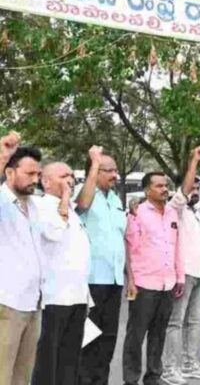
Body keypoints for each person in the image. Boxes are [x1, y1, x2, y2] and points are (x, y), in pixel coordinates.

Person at [31, 157, 90, 385]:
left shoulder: (71, 210)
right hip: (53, 297)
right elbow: (54, 232)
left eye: (71, 176)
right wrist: (65, 199)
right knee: (47, 361)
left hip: (76, 296)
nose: (70, 180)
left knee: (69, 359)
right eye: (63, 176)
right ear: (45, 182)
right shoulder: (39, 206)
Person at [122, 171, 185, 385]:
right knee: (136, 336)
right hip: (143, 284)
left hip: (167, 283)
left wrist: (180, 276)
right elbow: (129, 249)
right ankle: (131, 379)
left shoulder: (172, 214)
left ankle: (153, 376)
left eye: (165, 185)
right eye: (159, 186)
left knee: (159, 334)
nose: (164, 189)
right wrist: (130, 280)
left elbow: (177, 247)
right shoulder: (137, 212)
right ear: (147, 190)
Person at [161, 146, 200, 382]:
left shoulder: (197, 213)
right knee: (176, 322)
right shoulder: (176, 208)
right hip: (182, 275)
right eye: (191, 187)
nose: (194, 191)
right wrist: (194, 160)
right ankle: (169, 369)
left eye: (197, 188)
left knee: (194, 321)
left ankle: (190, 364)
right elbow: (184, 190)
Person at [76, 149, 127, 385]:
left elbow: (121, 239)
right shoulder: (85, 193)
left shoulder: (116, 200)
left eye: (116, 170)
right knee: (89, 339)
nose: (115, 175)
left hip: (115, 281)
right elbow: (83, 205)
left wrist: (130, 278)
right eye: (109, 170)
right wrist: (95, 162)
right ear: (94, 172)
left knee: (108, 338)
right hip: (93, 280)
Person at [0, 134, 44, 385]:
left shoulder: (34, 206)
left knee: (22, 377)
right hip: (7, 304)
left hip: (33, 303)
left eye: (37, 174)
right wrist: (3, 155)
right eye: (29, 174)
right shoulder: (3, 202)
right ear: (9, 173)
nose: (35, 180)